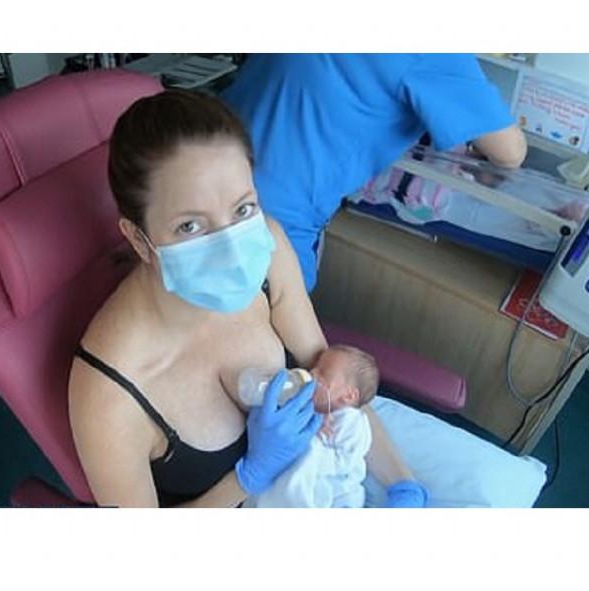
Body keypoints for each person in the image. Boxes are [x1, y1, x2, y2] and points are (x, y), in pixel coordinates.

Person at [67, 89, 418, 508]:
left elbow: (332, 375)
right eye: (190, 226)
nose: (234, 253)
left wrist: (404, 484)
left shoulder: (268, 251)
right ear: (138, 240)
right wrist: (248, 476)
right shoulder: (109, 395)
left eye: (243, 209)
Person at [221, 54, 529, 291]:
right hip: (270, 221)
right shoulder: (433, 53)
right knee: (269, 335)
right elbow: (511, 152)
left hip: (208, 165)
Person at [248, 345, 427, 508]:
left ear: (347, 397)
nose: (312, 373)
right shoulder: (304, 403)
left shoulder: (350, 420)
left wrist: (313, 434)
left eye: (323, 373)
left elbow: (346, 459)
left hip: (332, 493)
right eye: (315, 367)